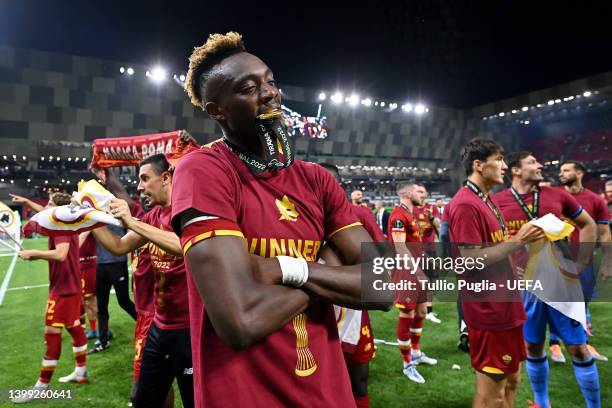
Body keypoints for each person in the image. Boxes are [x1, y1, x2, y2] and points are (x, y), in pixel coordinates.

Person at [173, 31, 392, 407]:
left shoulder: (316, 179)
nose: (270, 93)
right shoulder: (204, 171)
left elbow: (383, 288)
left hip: (328, 393)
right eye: (248, 88)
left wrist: (287, 269)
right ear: (217, 111)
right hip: (247, 396)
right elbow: (240, 322)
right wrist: (327, 266)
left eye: (270, 81)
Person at [494, 151, 600, 408]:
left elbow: (588, 224)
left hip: (561, 284)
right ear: (516, 170)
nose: (540, 165)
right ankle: (542, 403)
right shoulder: (497, 201)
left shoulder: (557, 195)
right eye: (532, 162)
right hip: (525, 289)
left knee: (578, 348)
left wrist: (583, 261)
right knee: (532, 347)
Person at [447, 139, 544, 408]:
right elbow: (468, 260)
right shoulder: (466, 204)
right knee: (492, 394)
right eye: (499, 160)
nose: (504, 166)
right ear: (479, 165)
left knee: (512, 380)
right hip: (490, 310)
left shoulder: (485, 198)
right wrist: (517, 240)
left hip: (506, 304)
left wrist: (519, 247)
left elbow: (493, 246)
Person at [92, 154, 192, 408]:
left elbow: (186, 245)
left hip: (190, 330)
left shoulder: (189, 211)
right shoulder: (152, 216)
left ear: (166, 178)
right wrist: (88, 220)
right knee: (144, 399)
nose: (139, 186)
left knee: (196, 401)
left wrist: (131, 222)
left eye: (145, 179)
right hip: (159, 326)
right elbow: (118, 246)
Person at [12, 193, 89, 403]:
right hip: (70, 286)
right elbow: (46, 212)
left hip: (63, 289)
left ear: (58, 209)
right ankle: (81, 371)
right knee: (74, 327)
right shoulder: (65, 221)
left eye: (50, 204)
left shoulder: (61, 228)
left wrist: (33, 253)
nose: (46, 207)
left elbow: (61, 254)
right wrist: (27, 202)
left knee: (52, 332)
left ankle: (42, 387)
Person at [322, 162, 381, 408]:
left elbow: (381, 255)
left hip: (353, 309)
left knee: (358, 380)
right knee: (322, 382)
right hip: (315, 308)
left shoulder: (361, 214)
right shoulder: (299, 215)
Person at [551, 159, 612, 362]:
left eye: (566, 170)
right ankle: (554, 345)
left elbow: (604, 233)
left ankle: (583, 342)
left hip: (584, 260)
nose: (562, 173)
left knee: (582, 302)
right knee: (556, 302)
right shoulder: (554, 198)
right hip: (557, 260)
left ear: (579, 173)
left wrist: (608, 262)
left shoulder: (595, 200)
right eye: (560, 170)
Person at [388, 182, 437, 384]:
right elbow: (400, 248)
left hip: (418, 269)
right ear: (408, 193)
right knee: (406, 314)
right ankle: (407, 364)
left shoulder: (411, 214)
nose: (422, 195)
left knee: (422, 312)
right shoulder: (398, 215)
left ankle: (416, 352)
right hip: (406, 272)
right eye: (418, 191)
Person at [412, 184, 442, 324]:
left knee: (429, 281)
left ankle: (428, 311)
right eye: (417, 191)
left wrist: (431, 218)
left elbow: (439, 226)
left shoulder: (431, 208)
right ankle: (415, 309)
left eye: (421, 191)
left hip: (430, 249)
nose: (419, 193)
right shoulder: (410, 209)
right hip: (414, 250)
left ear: (426, 194)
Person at [78, 230, 98, 339]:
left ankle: (104, 327)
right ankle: (94, 329)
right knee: (86, 301)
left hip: (89, 265)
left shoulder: (88, 222)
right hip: (80, 265)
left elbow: (77, 244)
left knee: (90, 300)